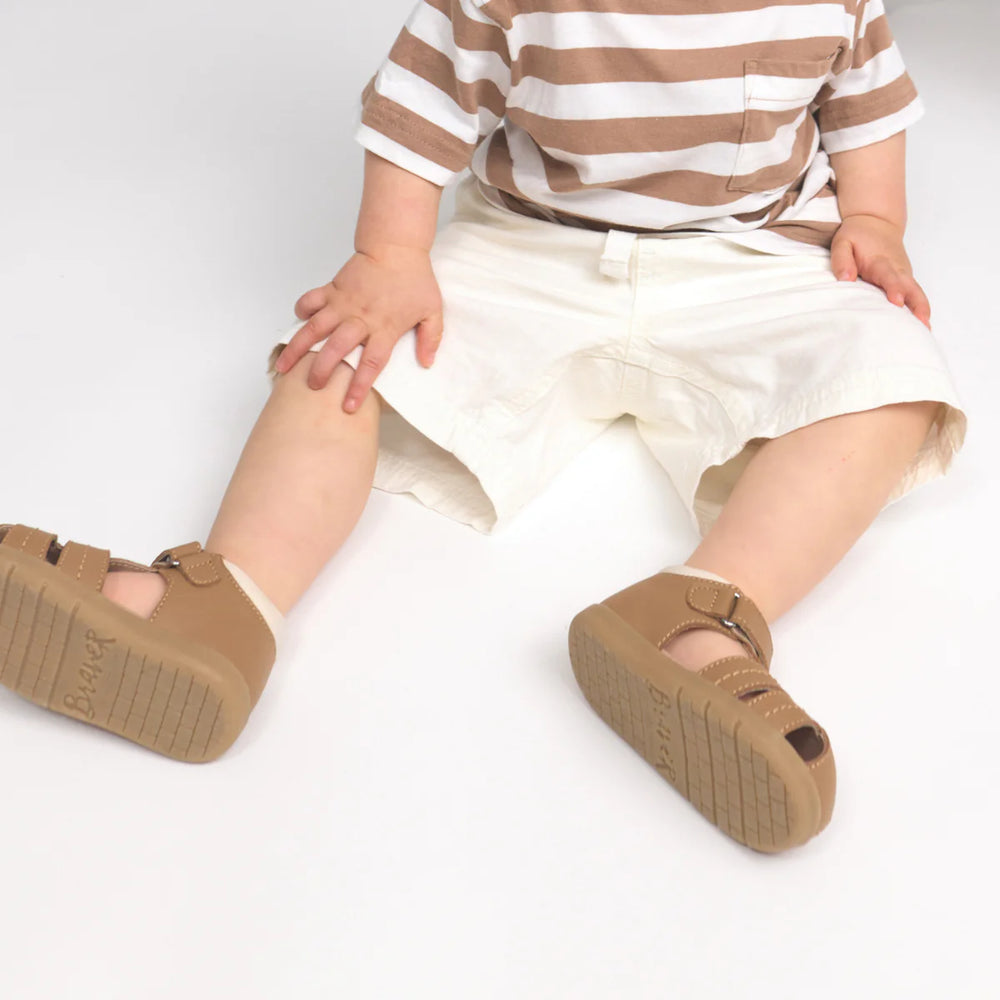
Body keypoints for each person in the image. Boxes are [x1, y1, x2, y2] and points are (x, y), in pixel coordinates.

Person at [0, 0, 966, 852]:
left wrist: (875, 220)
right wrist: (388, 255)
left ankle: (701, 614)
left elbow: (864, 107)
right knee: (345, 354)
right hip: (530, 246)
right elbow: (419, 111)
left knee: (891, 378)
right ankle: (224, 604)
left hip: (752, 260)